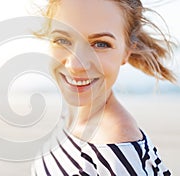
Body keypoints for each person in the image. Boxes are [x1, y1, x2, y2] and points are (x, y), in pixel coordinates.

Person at [31, 0, 176, 175]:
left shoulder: (116, 153)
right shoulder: (71, 114)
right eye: (62, 40)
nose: (76, 65)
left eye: (101, 44)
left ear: (127, 52)